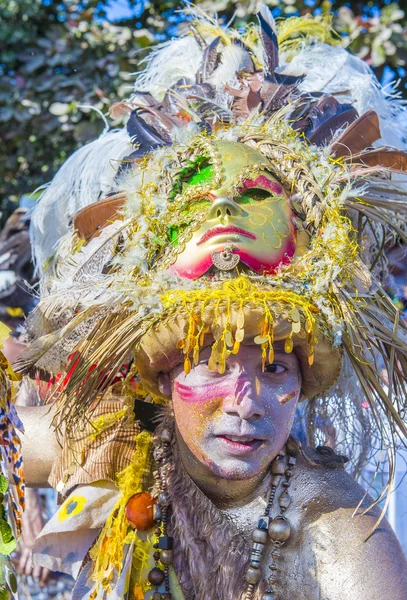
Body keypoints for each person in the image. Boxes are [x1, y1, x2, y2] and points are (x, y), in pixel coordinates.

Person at [8, 6, 407, 600]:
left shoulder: (340, 535)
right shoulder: (115, 446)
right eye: (216, 363)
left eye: (273, 368)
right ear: (164, 376)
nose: (245, 405)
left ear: (304, 382)